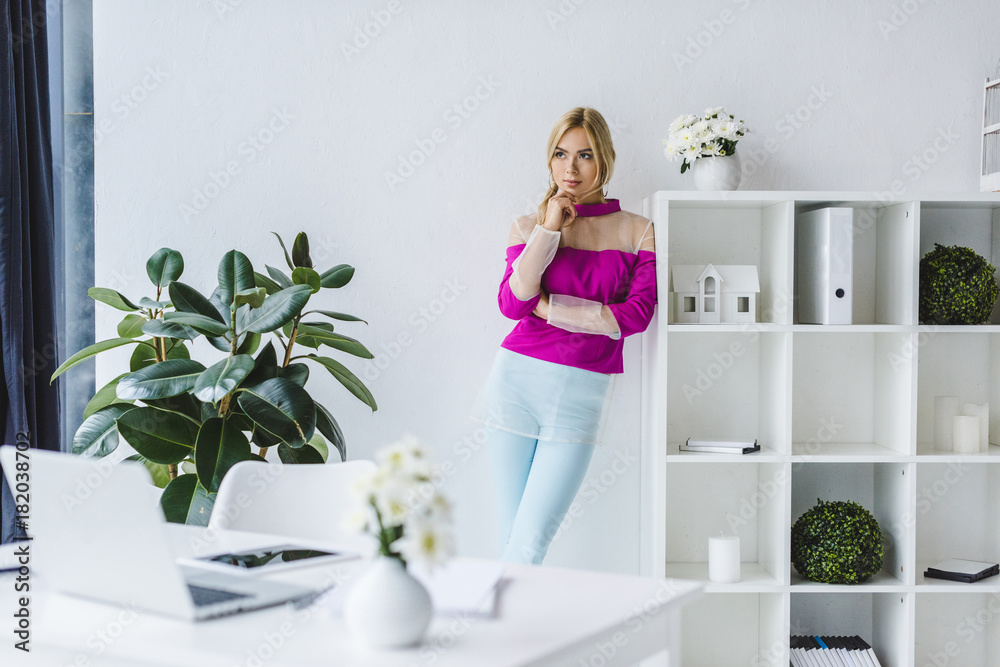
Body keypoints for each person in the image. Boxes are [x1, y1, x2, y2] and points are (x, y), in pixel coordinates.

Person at [481, 107, 657, 564]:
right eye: (561, 154)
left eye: (585, 155)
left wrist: (550, 308)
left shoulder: (638, 231)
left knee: (531, 540)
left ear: (605, 161)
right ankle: (508, 631)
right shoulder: (528, 226)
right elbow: (513, 304)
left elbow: (636, 316)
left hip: (584, 391)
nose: (571, 169)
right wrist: (549, 228)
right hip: (516, 383)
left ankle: (505, 630)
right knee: (510, 534)